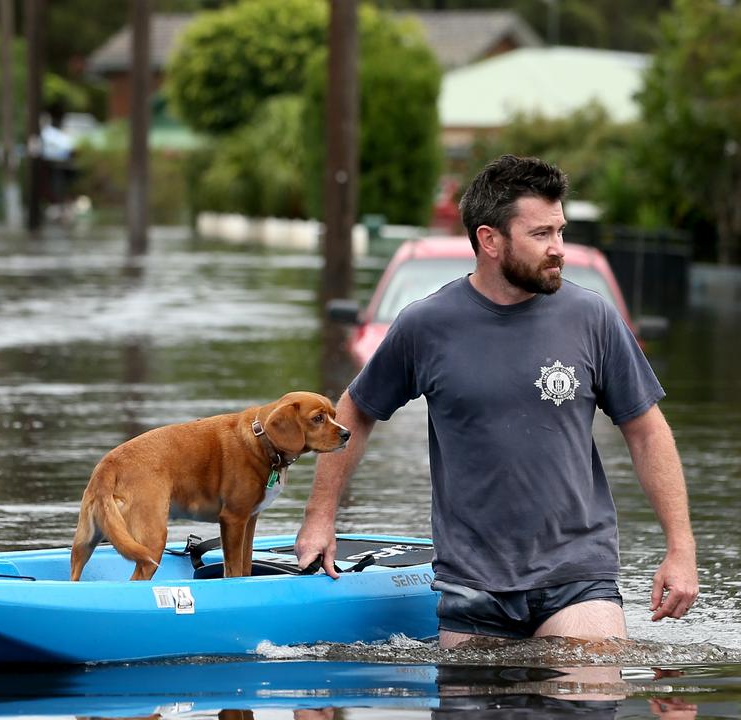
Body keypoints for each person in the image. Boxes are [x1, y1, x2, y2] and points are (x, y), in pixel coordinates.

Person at [296, 154, 699, 648]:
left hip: (576, 577)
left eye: (561, 231)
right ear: (490, 240)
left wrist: (681, 549)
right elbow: (354, 412)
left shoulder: (593, 318)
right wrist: (320, 518)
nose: (559, 249)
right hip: (470, 585)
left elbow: (648, 432)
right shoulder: (425, 326)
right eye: (541, 235)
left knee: (589, 688)